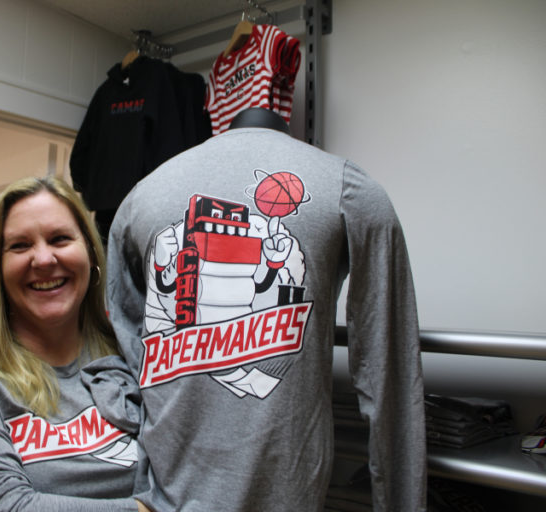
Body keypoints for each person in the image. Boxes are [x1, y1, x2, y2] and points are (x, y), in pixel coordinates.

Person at [96, 108, 426, 511]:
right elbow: (390, 369)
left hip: (263, 487)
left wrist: (271, 263)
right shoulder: (349, 185)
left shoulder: (142, 194)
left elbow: (386, 361)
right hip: (174, 491)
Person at [0, 177, 143, 511]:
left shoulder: (135, 349)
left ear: (91, 253)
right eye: (20, 246)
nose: (44, 259)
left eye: (60, 239)